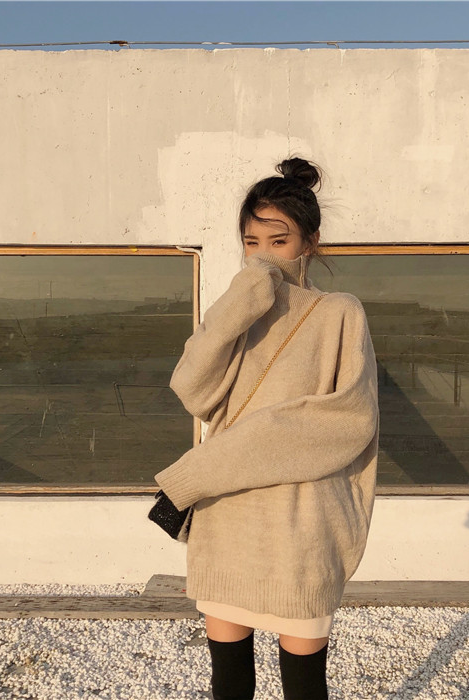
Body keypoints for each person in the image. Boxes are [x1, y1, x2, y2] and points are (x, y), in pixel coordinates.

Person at [154, 157, 380, 699]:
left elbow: (345, 421)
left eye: (278, 241)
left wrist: (196, 473)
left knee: (304, 686)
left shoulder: (340, 313)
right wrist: (241, 300)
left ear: (310, 242)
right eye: (251, 242)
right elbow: (192, 390)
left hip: (300, 525)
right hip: (228, 521)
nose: (262, 255)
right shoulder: (241, 309)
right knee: (229, 683)